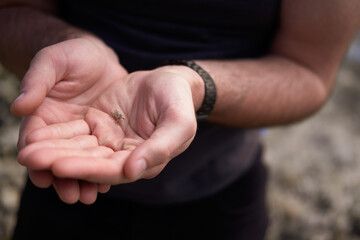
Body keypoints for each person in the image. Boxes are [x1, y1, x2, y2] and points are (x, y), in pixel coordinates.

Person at [0, 0, 359, 239]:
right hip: (63, 190)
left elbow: (309, 72)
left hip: (218, 196)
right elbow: (12, 10)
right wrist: (64, 43)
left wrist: (197, 85)